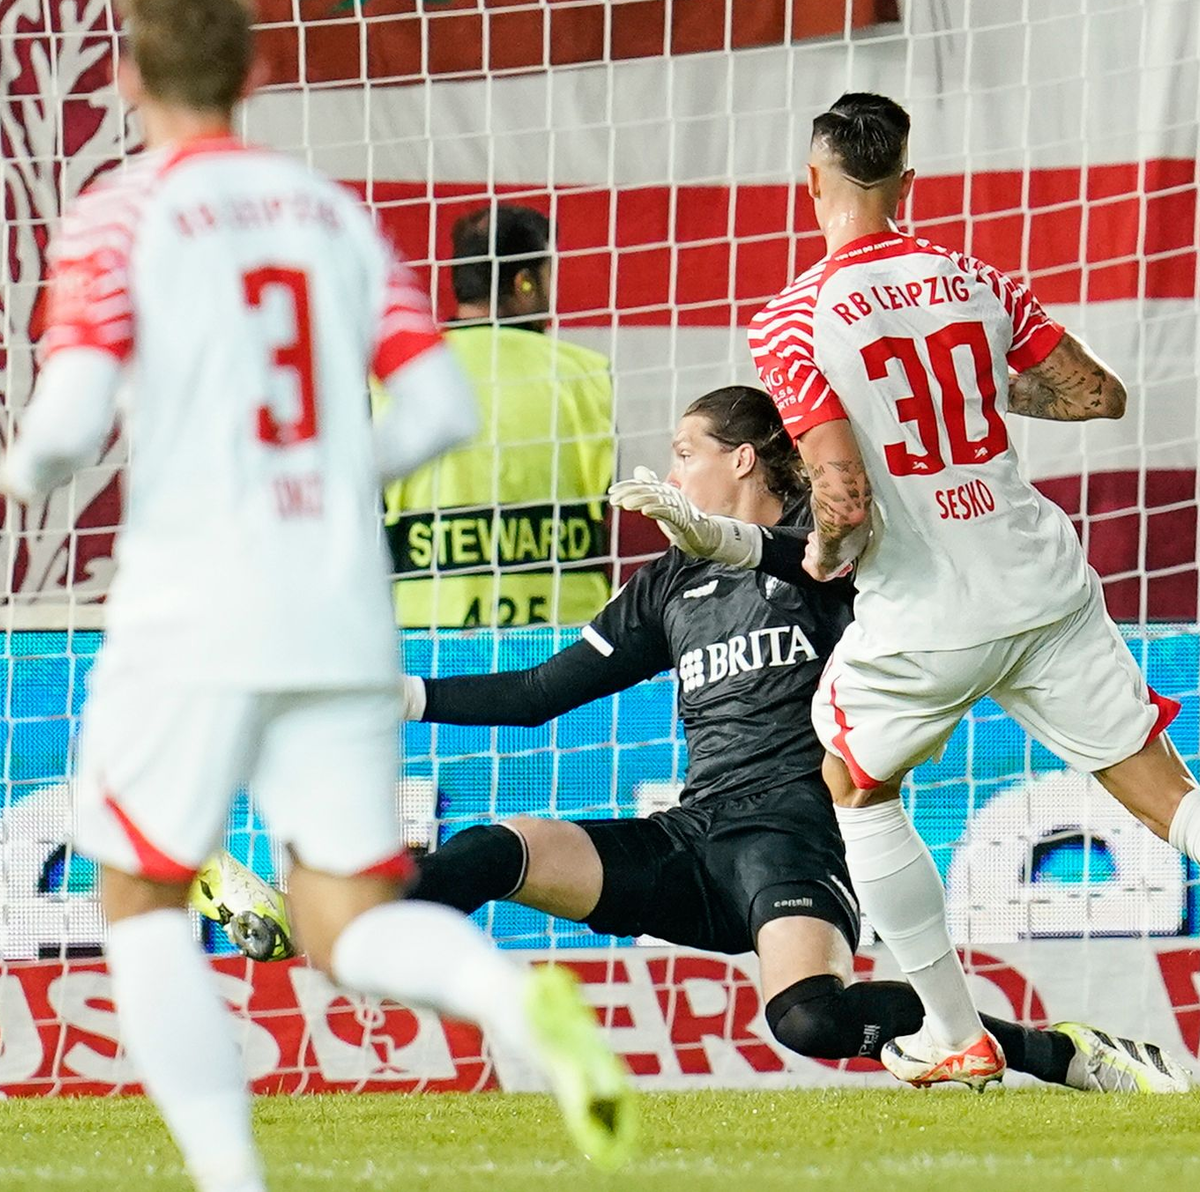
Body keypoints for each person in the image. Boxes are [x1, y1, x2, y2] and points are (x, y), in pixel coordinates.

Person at [0, 0, 632, 1189]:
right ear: (254, 72)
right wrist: (328, 482)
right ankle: (507, 995)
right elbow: (437, 409)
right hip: (338, 604)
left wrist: (21, 468)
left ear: (127, 78)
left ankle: (232, 1179)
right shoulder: (326, 212)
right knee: (348, 920)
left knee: (140, 898)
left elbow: (69, 424)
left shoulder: (120, 212)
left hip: (196, 599)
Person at [199, 387, 1191, 1094]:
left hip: (796, 837)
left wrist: (747, 541)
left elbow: (823, 562)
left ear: (743, 458)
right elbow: (541, 693)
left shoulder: (836, 550)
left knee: (810, 1020)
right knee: (501, 847)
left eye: (685, 451)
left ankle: (1053, 1052)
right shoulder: (669, 583)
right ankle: (312, 918)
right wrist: (404, 695)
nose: (669, 471)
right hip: (694, 835)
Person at [731, 90, 1200, 1089]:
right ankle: (957, 1034)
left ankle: (956, 1030)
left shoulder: (790, 319)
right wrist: (978, 389)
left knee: (855, 782)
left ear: (811, 179)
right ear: (907, 181)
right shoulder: (978, 278)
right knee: (1168, 797)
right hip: (1044, 582)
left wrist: (821, 556)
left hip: (931, 611)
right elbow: (1098, 394)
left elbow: (842, 494)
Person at [385, 204, 614, 628]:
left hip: (429, 631)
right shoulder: (585, 373)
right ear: (525, 282)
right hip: (562, 634)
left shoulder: (407, 374)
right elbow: (610, 506)